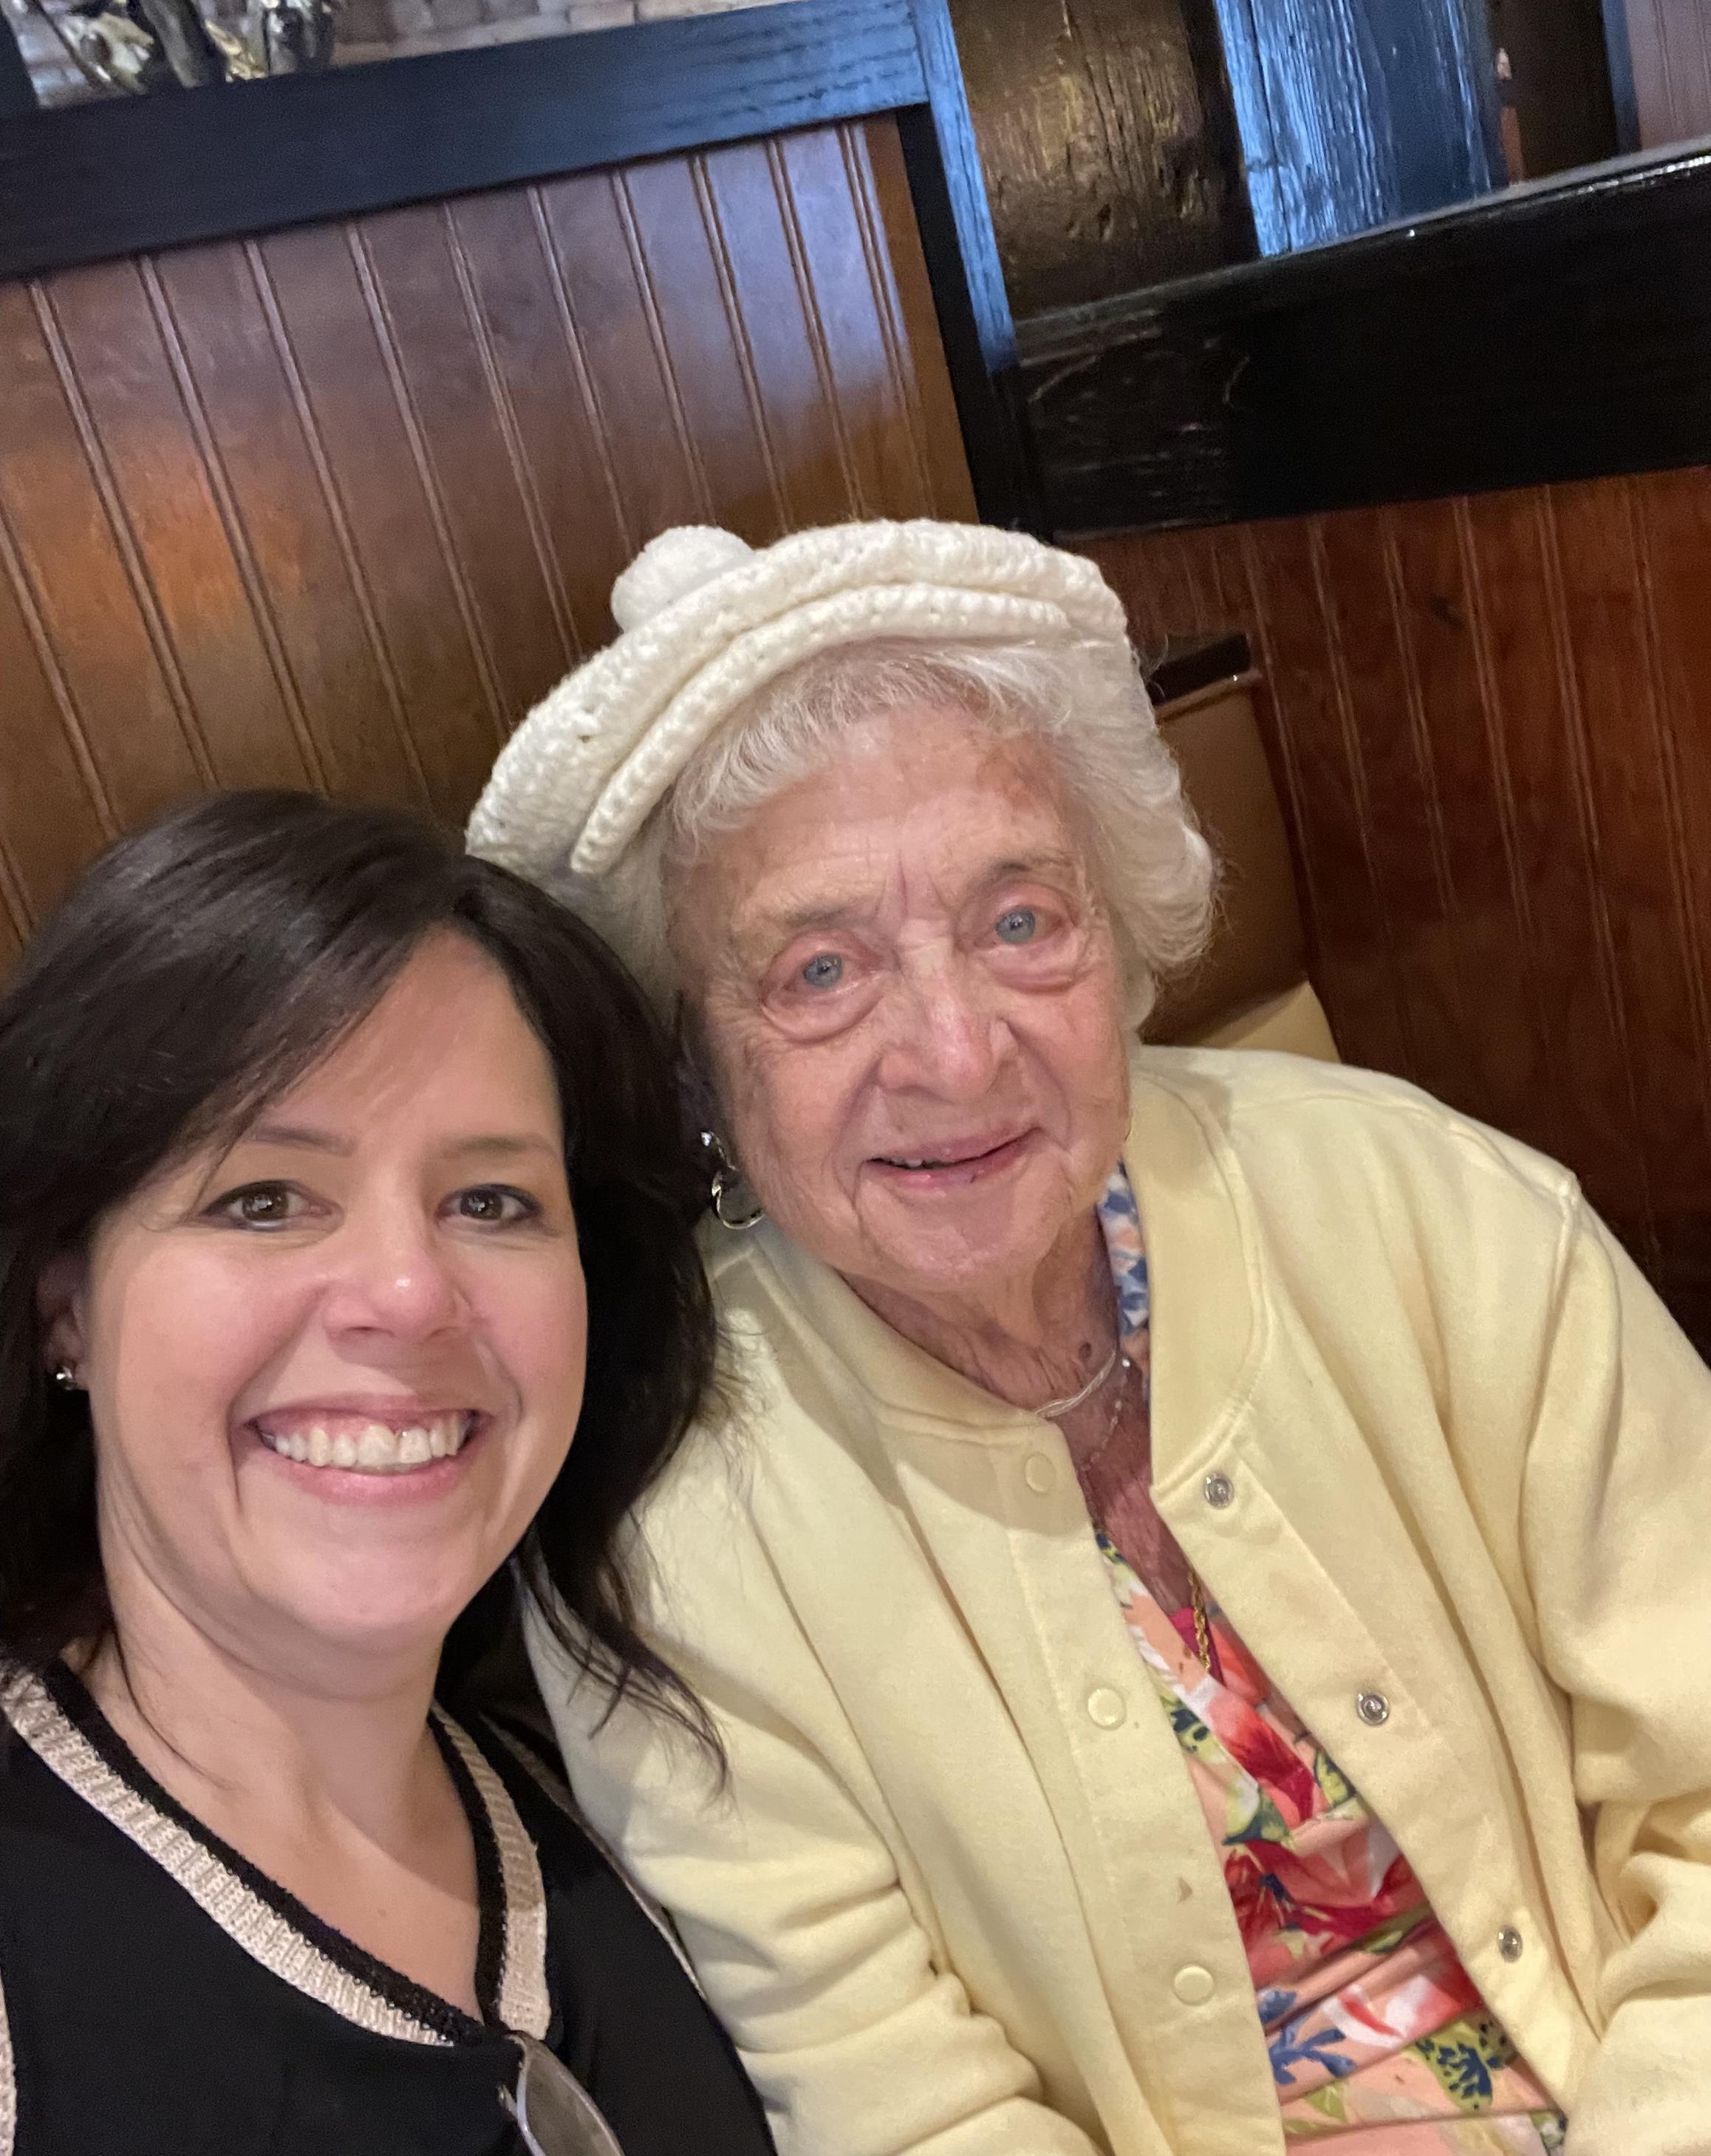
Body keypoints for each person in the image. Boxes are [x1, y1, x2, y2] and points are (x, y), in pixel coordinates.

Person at [470, 519, 1711, 2156]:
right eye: (822, 967)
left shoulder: (1440, 1207)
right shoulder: (667, 1520)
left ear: (1119, 933)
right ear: (698, 1063)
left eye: (1019, 918)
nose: (955, 1046)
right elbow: (909, 2112)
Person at [0, 790, 775, 2156]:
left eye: (493, 1202)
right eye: (264, 1199)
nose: (410, 1295)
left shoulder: (628, 1796)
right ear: (64, 1300)